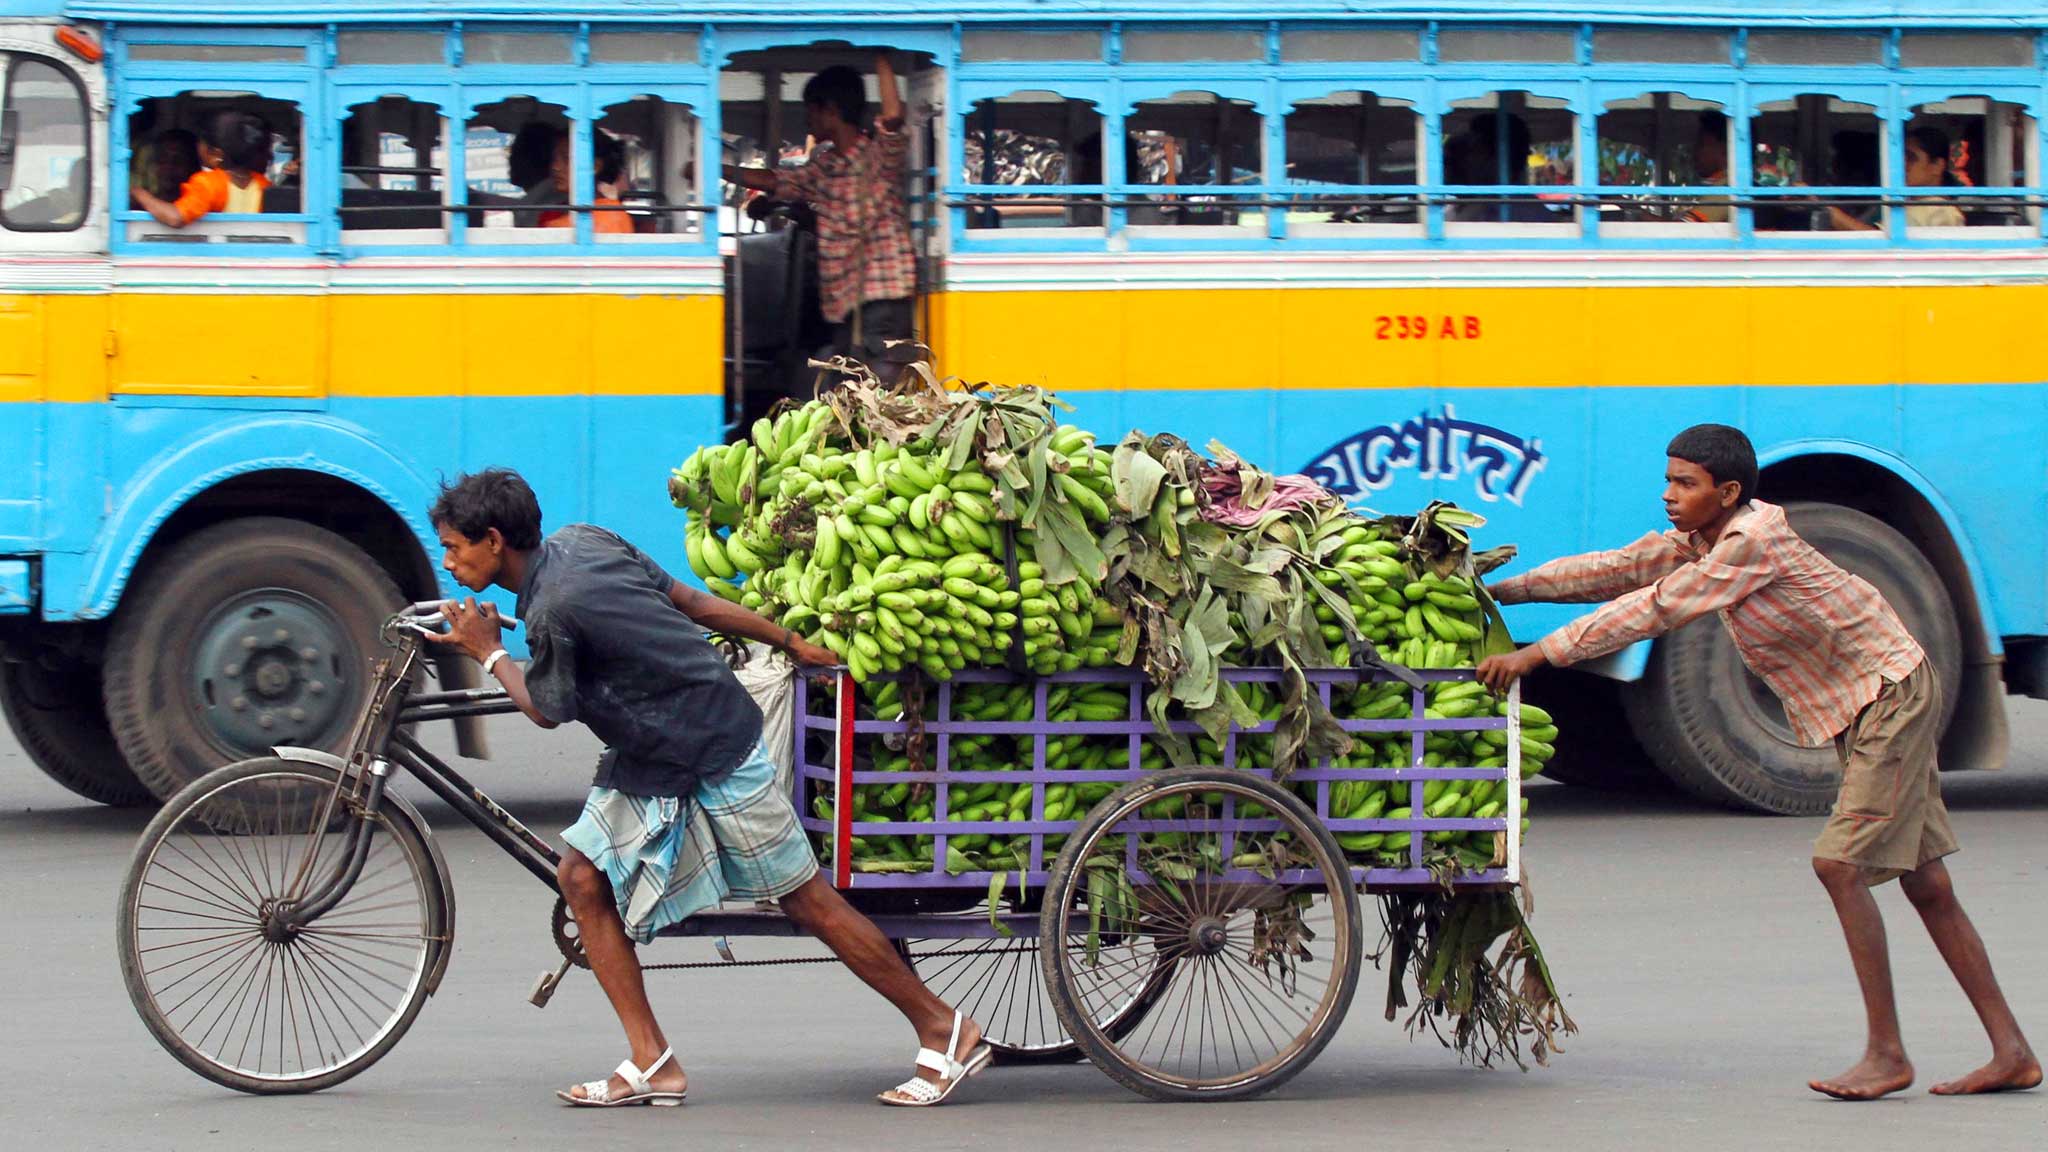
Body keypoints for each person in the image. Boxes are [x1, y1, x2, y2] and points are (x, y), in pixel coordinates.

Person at [1474, 425, 2040, 1102]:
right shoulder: (1702, 539)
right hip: (1862, 701)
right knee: (1928, 885)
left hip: (1890, 696)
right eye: (1669, 480)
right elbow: (1616, 569)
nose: (1669, 495)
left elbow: (1657, 607)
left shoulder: (1751, 542)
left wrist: (1538, 655)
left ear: (1728, 492)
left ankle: (1887, 1055)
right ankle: (2012, 1053)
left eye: (1686, 484)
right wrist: (1506, 591)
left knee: (1840, 866)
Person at [424, 469, 989, 1109]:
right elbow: (690, 602)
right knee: (580, 877)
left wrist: (489, 652)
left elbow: (545, 711)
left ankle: (945, 1029)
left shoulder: (553, 607)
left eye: (454, 548)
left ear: (494, 541)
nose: (449, 563)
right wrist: (789, 641)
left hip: (710, 748)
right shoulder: (585, 541)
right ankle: (652, 1061)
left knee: (808, 903)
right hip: (650, 750)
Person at [722, 57, 916, 375]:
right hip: (844, 299)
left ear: (831, 111)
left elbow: (893, 115)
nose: (807, 120)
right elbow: (775, 181)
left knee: (883, 383)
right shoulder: (825, 166)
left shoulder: (879, 155)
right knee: (846, 383)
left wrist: (881, 53)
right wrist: (715, 169)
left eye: (811, 110)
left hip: (882, 295)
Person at [131, 111, 271, 227]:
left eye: (201, 143)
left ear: (216, 154)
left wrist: (140, 194)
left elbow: (176, 218)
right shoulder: (263, 184)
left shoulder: (208, 183)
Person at [1828, 125, 1966, 231]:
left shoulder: (1937, 209)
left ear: (1937, 166)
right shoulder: (1908, 203)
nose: (1902, 165)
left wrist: (1831, 214)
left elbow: (1879, 243)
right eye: (1901, 158)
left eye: (1911, 158)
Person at [539, 130, 634, 234]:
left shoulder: (610, 215)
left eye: (566, 158)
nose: (555, 167)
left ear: (595, 166)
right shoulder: (556, 211)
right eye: (554, 159)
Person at [1682, 111, 1731, 224]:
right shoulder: (1717, 184)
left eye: (1701, 144)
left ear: (1724, 149)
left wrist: (1641, 215)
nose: (1695, 152)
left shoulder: (1727, 187)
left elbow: (1685, 229)